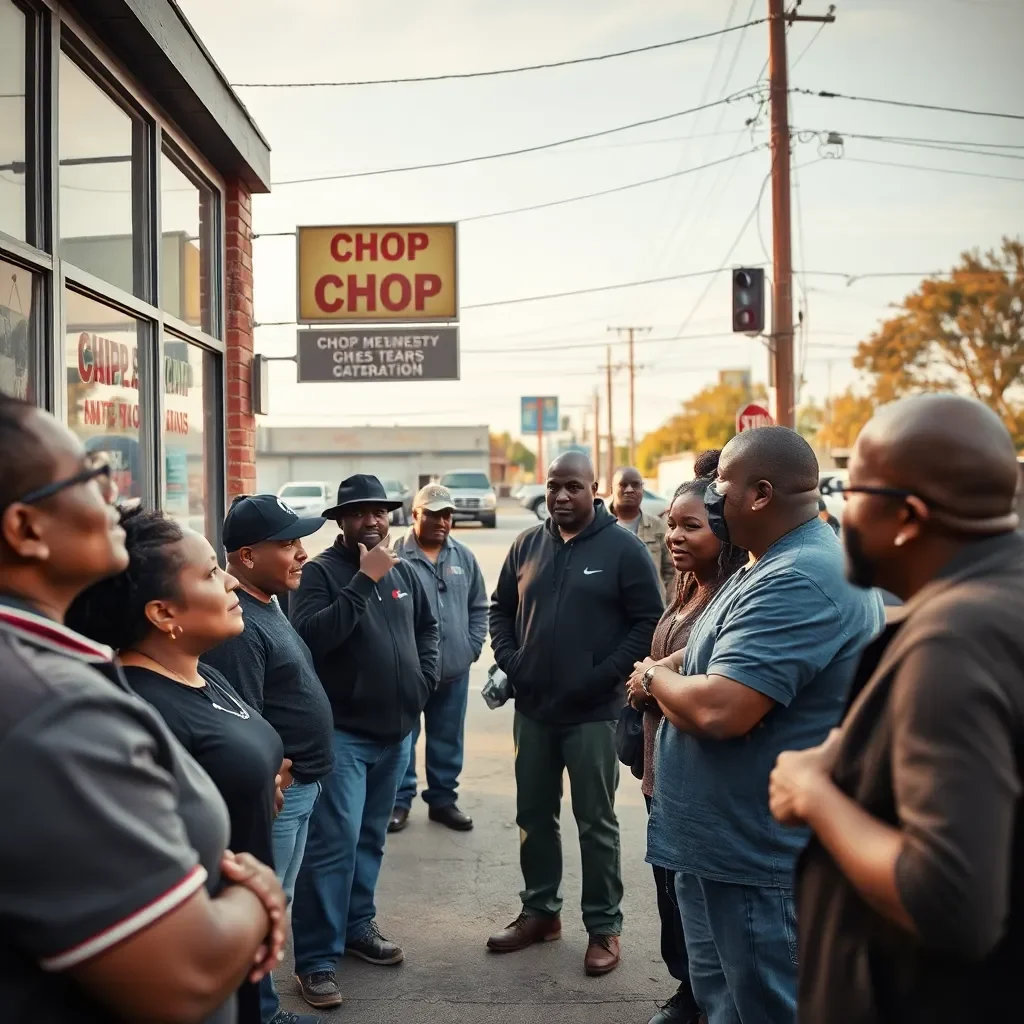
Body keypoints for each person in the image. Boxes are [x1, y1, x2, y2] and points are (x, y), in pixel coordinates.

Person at [0, 395, 285, 1024]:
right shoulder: (48, 707)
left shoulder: (53, 669)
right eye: (91, 473)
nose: (117, 495)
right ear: (25, 530)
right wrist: (253, 895)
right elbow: (185, 976)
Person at [769, 394, 1024, 1024]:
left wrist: (813, 793)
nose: (838, 509)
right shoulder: (1000, 598)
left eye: (853, 491)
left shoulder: (952, 642)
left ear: (907, 517)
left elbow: (949, 902)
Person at [630, 426, 883, 1024]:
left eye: (722, 489)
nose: (711, 500)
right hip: (720, 854)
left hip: (758, 866)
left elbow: (721, 708)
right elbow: (702, 657)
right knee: (724, 1008)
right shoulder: (761, 564)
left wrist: (652, 680)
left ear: (762, 494)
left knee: (766, 1011)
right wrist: (668, 671)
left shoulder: (800, 575)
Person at [67, 507, 287, 1024]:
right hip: (203, 937)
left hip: (242, 930)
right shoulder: (142, 709)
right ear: (164, 615)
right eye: (211, 571)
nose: (231, 579)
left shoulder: (200, 672)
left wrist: (261, 781)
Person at [488, 451, 663, 976]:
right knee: (534, 816)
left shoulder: (623, 549)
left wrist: (602, 673)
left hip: (593, 714)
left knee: (596, 823)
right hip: (535, 711)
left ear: (594, 491)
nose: (561, 496)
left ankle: (604, 926)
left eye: (573, 487)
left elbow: (646, 621)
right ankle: (541, 912)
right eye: (553, 486)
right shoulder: (526, 544)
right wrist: (513, 661)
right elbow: (499, 608)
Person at [289, 474, 440, 1011]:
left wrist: (423, 681)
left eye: (380, 512)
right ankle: (316, 959)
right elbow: (313, 637)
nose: (373, 521)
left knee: (370, 840)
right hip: (344, 738)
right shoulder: (321, 575)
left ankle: (357, 927)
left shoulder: (404, 572)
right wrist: (361, 581)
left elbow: (428, 629)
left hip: (395, 736)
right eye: (359, 513)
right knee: (332, 847)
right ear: (340, 521)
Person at [201, 494, 335, 1024]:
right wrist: (273, 775)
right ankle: (257, 1015)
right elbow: (240, 720)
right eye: (288, 544)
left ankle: (263, 1008)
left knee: (278, 902)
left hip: (302, 789)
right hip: (278, 797)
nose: (301, 553)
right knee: (258, 911)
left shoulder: (268, 603)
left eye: (299, 542)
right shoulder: (240, 628)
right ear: (248, 557)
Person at [628, 452, 747, 1024]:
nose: (674, 535)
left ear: (721, 533)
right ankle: (689, 991)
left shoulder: (730, 599)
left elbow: (702, 690)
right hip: (660, 773)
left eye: (690, 525)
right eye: (671, 524)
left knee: (693, 902)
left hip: (696, 779)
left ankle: (699, 1000)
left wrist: (650, 679)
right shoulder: (686, 588)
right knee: (670, 896)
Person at [390, 484, 488, 833]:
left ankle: (443, 801)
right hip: (407, 673)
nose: (441, 521)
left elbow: (479, 607)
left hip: (453, 671)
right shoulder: (393, 556)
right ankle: (398, 802)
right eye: (432, 514)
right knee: (401, 739)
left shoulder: (463, 557)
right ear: (415, 514)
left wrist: (472, 645)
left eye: (447, 515)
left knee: (448, 738)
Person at [611, 466, 675, 598]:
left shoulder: (658, 527)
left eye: (635, 485)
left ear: (642, 490)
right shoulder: (597, 527)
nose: (629, 490)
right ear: (612, 490)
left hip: (651, 611)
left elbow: (671, 571)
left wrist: (668, 609)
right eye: (623, 485)